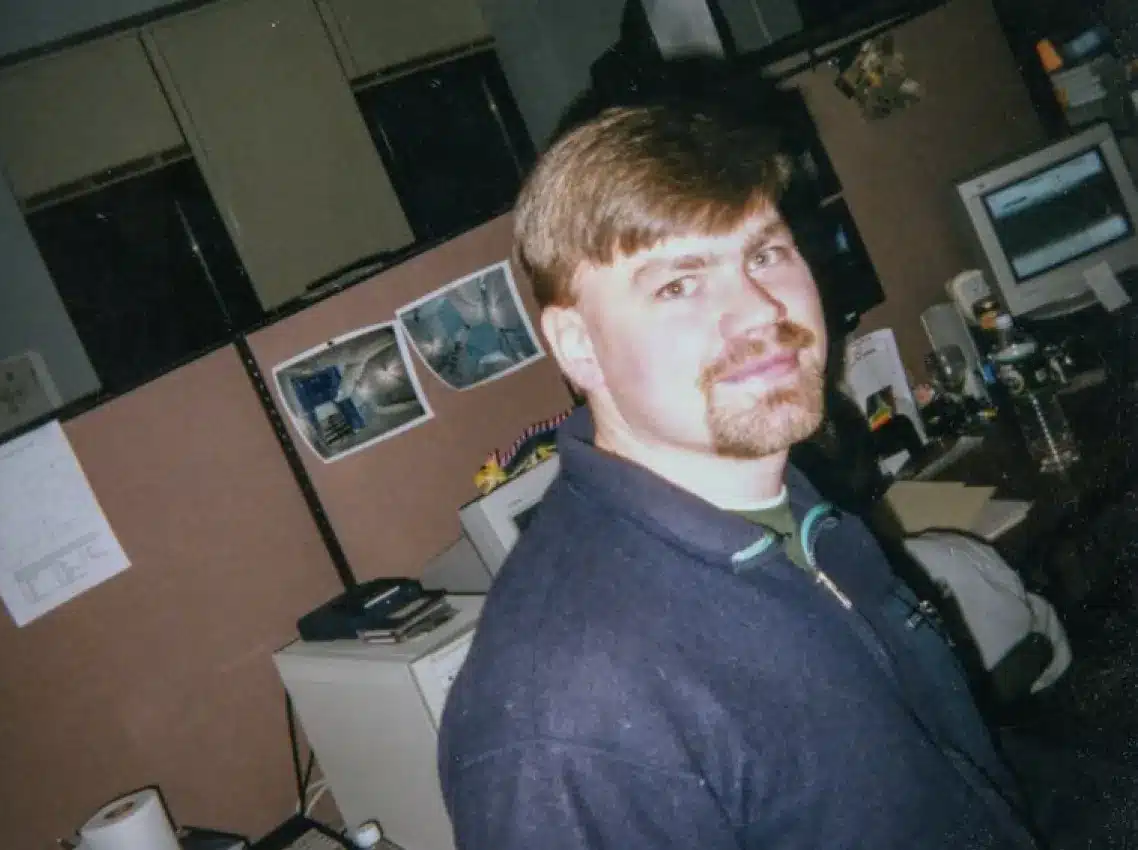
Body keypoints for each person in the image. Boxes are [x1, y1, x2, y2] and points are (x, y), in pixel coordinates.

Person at [437, 100, 1040, 849]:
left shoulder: (780, 497)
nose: (756, 311)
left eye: (763, 254)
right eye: (678, 286)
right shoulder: (563, 715)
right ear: (578, 346)